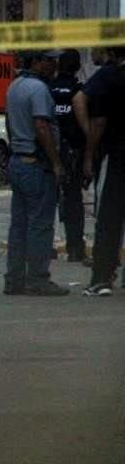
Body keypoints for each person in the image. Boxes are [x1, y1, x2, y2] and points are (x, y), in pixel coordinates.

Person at [2, 51, 68, 296]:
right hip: (36, 164)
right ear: (37, 62)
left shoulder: (14, 86)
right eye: (50, 60)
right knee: (40, 225)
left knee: (19, 225)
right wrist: (56, 162)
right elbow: (41, 125)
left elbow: (10, 122)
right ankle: (38, 279)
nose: (54, 65)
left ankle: (14, 279)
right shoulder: (39, 89)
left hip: (18, 161)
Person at [78, 47, 125, 296]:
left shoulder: (108, 77)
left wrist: (89, 154)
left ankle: (102, 277)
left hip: (116, 156)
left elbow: (98, 120)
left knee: (108, 219)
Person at [50, 49, 89, 264]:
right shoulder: (79, 91)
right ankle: (75, 248)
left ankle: (46, 246)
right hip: (73, 152)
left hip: (50, 151)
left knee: (48, 200)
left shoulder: (48, 89)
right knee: (74, 200)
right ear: (77, 67)